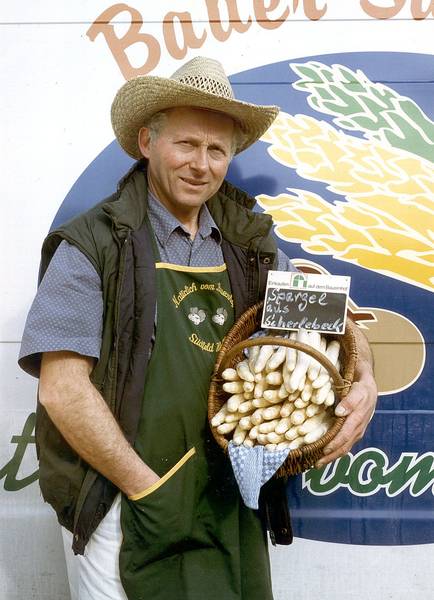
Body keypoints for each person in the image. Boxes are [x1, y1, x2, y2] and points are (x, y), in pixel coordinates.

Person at [18, 56, 377, 600]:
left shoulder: (251, 246)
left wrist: (365, 384)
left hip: (225, 502)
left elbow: (337, 329)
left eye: (217, 150)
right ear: (146, 142)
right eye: (185, 144)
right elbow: (63, 390)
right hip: (124, 503)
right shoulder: (92, 244)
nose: (201, 165)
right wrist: (147, 490)